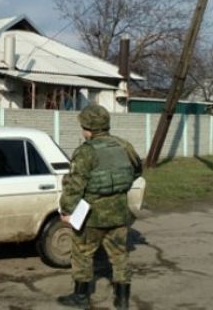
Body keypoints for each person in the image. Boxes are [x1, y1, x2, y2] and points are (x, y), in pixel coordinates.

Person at [57, 104, 143, 310]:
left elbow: (74, 187)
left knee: (83, 254)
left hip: (91, 216)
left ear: (87, 128)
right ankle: (122, 300)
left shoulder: (85, 152)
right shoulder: (124, 146)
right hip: (119, 212)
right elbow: (137, 170)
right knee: (120, 255)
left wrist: (66, 211)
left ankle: (81, 297)